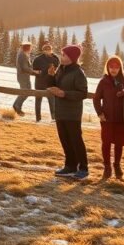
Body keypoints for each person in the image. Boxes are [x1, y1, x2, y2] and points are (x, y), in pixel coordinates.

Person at [93, 55, 124, 181]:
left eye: (116, 67)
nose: (114, 69)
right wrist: (100, 113)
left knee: (119, 144)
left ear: (120, 67)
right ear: (108, 67)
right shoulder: (103, 81)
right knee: (106, 143)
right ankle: (107, 167)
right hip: (107, 119)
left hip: (121, 119)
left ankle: (117, 166)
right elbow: (96, 98)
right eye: (111, 67)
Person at [48, 44, 89, 179]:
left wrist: (64, 94)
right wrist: (50, 76)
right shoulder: (61, 69)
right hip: (60, 112)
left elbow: (82, 93)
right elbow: (53, 85)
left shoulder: (78, 73)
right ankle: (70, 166)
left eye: (64, 55)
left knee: (76, 140)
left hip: (72, 114)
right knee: (65, 140)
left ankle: (83, 168)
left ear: (71, 57)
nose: (61, 56)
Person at [32, 43, 60, 122]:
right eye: (46, 50)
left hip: (50, 83)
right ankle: (38, 118)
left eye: (50, 49)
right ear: (43, 50)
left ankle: (53, 118)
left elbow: (57, 70)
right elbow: (34, 71)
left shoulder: (55, 58)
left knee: (52, 100)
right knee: (38, 100)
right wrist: (41, 72)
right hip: (39, 82)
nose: (48, 51)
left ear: (52, 50)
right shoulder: (37, 59)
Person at [12, 41, 39, 117]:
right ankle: (17, 106)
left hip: (24, 76)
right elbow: (25, 68)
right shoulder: (22, 55)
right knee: (26, 91)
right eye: (30, 47)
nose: (31, 49)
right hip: (23, 77)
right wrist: (34, 72)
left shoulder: (23, 54)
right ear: (27, 47)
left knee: (26, 91)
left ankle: (17, 106)